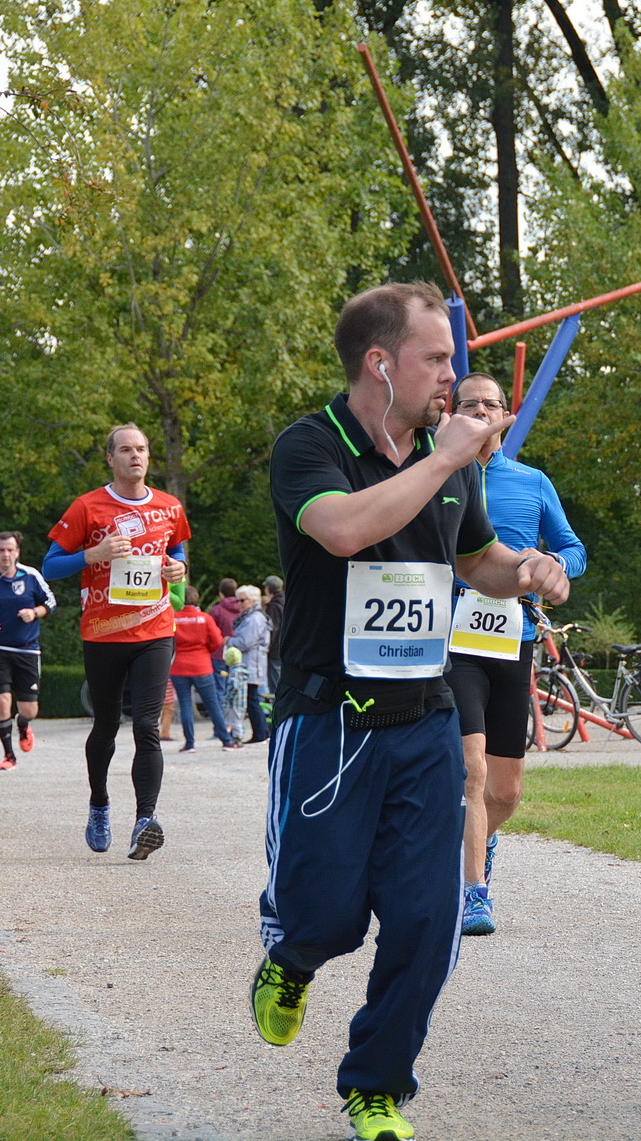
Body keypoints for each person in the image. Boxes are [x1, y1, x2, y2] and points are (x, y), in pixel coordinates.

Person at [250, 280, 569, 1141]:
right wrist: (443, 460)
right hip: (328, 721)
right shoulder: (310, 446)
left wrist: (529, 568)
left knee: (430, 921)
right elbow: (345, 530)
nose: (451, 378)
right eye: (437, 359)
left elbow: (478, 561)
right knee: (328, 914)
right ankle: (291, 957)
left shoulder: (449, 459)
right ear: (380, 364)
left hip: (425, 719)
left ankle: (377, 1082)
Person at [444, 371, 587, 937]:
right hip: (453, 641)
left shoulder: (530, 482)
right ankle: (471, 892)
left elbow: (573, 550)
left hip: (512, 639)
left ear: (507, 413)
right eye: (468, 404)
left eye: (490, 404)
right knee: (472, 771)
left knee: (505, 791)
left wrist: (549, 567)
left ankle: (480, 837)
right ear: (451, 413)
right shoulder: (436, 476)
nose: (480, 412)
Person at [44, 422, 191, 860]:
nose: (136, 456)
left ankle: (145, 820)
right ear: (111, 458)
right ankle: (99, 804)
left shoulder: (169, 507)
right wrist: (93, 555)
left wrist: (177, 569)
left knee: (146, 727)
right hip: (104, 633)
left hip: (155, 630)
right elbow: (50, 567)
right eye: (125, 450)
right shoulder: (88, 507)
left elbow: (177, 552)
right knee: (106, 726)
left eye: (142, 449)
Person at [0, 532, 57, 769]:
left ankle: (23, 724)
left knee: (29, 709)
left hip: (28, 650)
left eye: (10, 550)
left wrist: (34, 613)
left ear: (17, 552)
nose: (5, 554)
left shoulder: (31, 576)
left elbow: (50, 603)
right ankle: (9, 756)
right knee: (2, 702)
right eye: (1, 550)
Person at [171, 586, 240, 752]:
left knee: (185, 704)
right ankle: (226, 741)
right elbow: (217, 641)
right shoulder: (205, 618)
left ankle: (189, 743)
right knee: (213, 704)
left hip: (179, 666)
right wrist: (205, 651)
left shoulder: (173, 618)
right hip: (202, 665)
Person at [226, 583, 269, 745]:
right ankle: (260, 732)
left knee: (252, 699)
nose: (239, 604)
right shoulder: (250, 617)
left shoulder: (255, 618)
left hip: (252, 664)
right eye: (237, 601)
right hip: (249, 663)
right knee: (251, 699)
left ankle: (261, 734)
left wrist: (229, 641)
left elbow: (245, 642)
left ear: (253, 600)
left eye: (242, 600)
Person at [207, 578, 239, 706]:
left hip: (219, 653)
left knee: (219, 687)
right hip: (238, 654)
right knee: (237, 686)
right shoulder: (243, 607)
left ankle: (221, 715)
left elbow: (210, 633)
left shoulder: (216, 610)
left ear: (221, 593)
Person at [262, 575, 285, 691]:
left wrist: (267, 648)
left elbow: (273, 629)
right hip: (285, 646)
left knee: (275, 683)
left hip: (276, 649)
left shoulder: (274, 606)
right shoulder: (285, 600)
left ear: (269, 589)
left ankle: (276, 707)